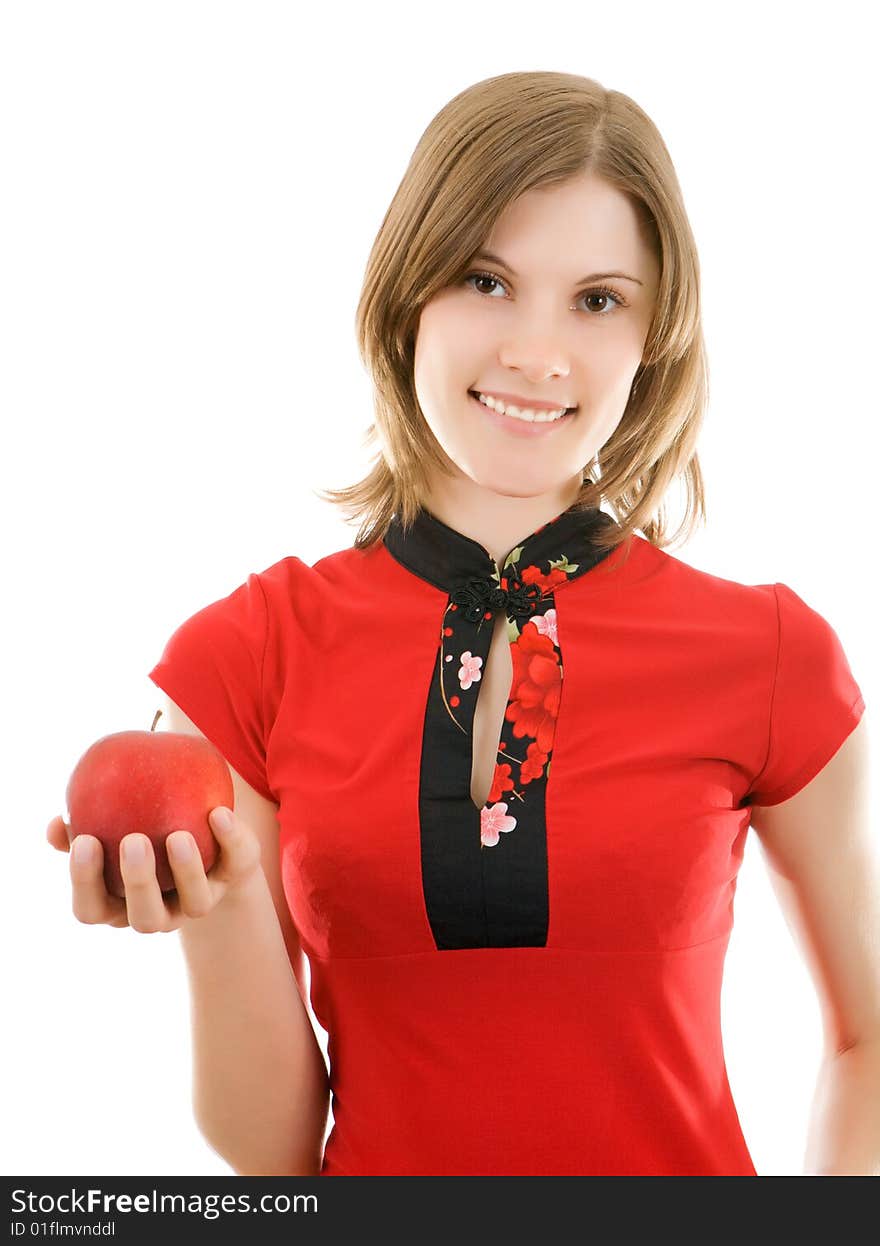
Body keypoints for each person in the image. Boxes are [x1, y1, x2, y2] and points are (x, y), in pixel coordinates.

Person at [47, 70, 877, 1176]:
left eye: (597, 299)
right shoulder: (245, 656)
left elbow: (866, 1036)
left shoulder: (771, 656)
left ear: (653, 338)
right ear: (409, 295)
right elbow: (275, 1152)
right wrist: (221, 901)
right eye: (488, 280)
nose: (537, 353)